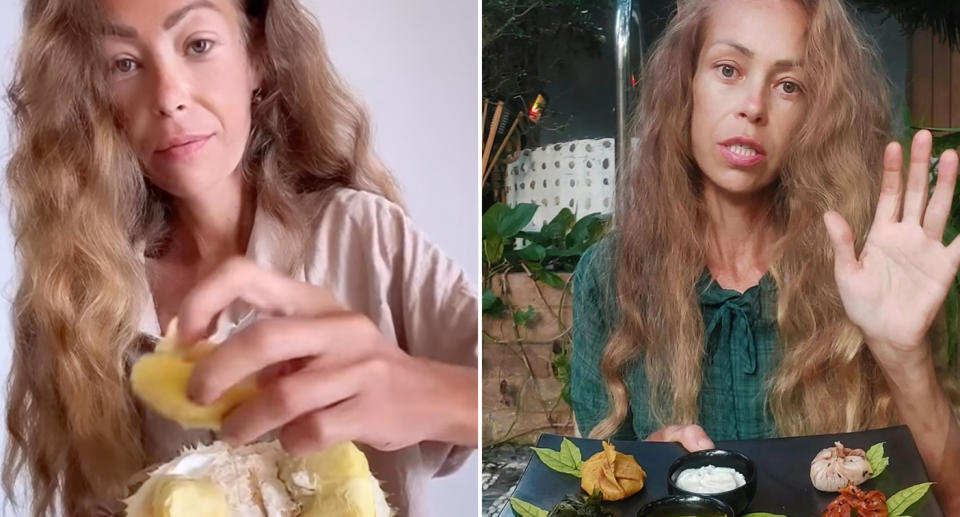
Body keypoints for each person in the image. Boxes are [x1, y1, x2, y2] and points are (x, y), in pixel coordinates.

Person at [1, 0, 478, 515]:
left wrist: (426, 392)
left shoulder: (365, 237)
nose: (168, 97)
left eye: (198, 45)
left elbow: (519, 407)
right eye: (123, 64)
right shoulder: (74, 296)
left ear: (258, 55)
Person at [571, 0, 960, 512]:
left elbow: (949, 502)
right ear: (685, 84)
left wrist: (904, 357)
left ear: (817, 115)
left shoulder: (870, 274)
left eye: (788, 85)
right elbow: (582, 489)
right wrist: (644, 469)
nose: (753, 106)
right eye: (728, 69)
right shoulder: (609, 275)